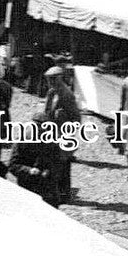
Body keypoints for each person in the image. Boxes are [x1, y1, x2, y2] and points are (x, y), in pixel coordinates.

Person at [8, 111, 66, 206]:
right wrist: (29, 170)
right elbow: (12, 165)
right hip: (27, 188)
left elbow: (59, 163)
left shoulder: (52, 142)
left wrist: (49, 171)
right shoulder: (22, 141)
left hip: (47, 188)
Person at [43, 65, 81, 200]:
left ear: (58, 79)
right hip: (52, 132)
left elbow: (76, 117)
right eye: (48, 79)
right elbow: (47, 111)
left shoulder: (66, 94)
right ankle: (55, 190)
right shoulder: (53, 92)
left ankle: (64, 193)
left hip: (63, 134)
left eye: (52, 79)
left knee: (63, 165)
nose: (49, 82)